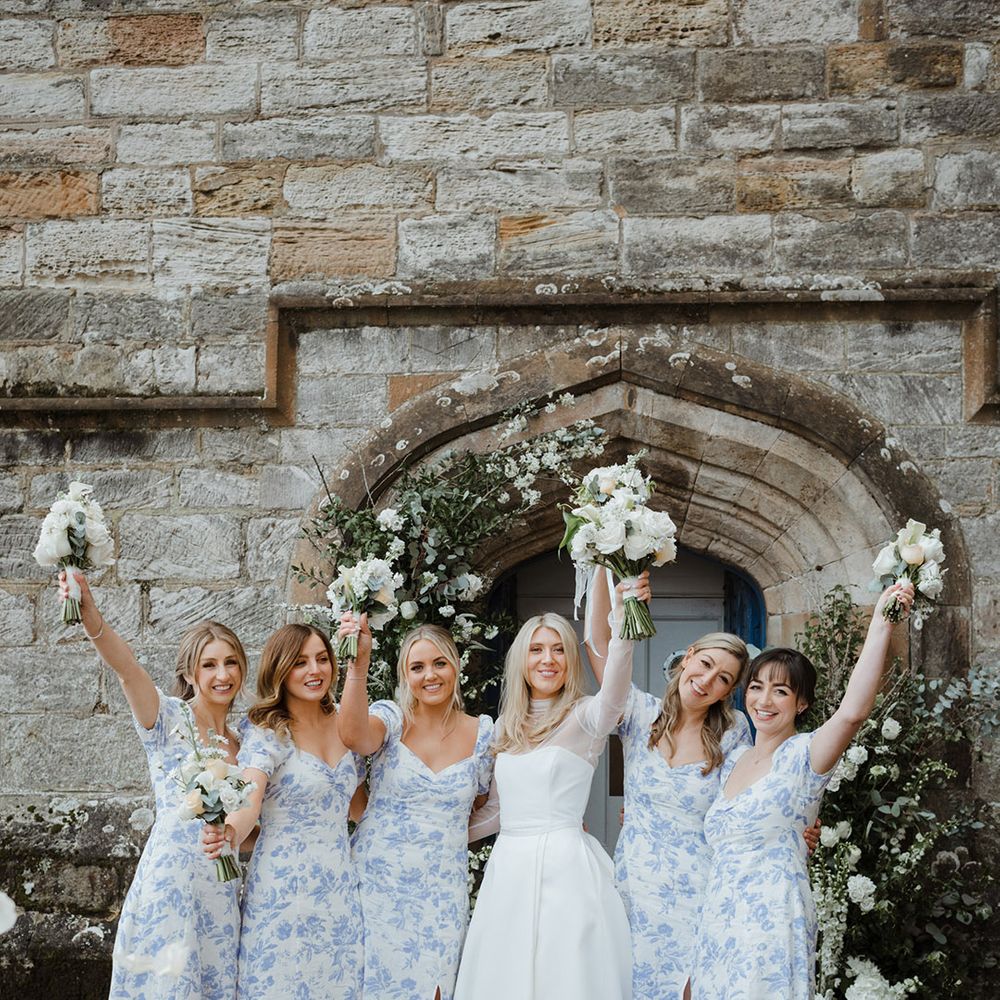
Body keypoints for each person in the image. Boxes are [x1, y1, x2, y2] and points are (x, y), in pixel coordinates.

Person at [691, 581, 914, 1000]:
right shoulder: (733, 759)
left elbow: (852, 713)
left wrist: (883, 623)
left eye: (781, 691)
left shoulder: (804, 756)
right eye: (757, 687)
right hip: (717, 922)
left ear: (802, 704)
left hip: (772, 920)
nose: (765, 700)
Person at [60, 569, 247, 1000]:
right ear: (190, 671)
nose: (223, 674)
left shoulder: (245, 743)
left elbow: (251, 827)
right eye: (210, 664)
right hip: (171, 884)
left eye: (231, 661)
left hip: (220, 894)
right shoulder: (166, 718)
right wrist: (91, 615)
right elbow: (126, 670)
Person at [454, 610, 636, 1000]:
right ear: (522, 659)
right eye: (537, 649)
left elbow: (617, 692)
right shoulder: (506, 726)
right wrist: (439, 837)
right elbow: (499, 813)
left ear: (571, 660)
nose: (548, 659)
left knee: (565, 975)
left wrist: (622, 623)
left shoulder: (587, 716)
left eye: (558, 650)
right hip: (509, 872)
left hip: (566, 867)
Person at [202, 624, 366, 1000]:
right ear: (279, 669)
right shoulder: (266, 731)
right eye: (300, 662)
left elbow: (362, 810)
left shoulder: (347, 722)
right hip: (283, 891)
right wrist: (230, 832)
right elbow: (249, 799)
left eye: (322, 659)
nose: (315, 670)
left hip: (340, 889)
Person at [337, 616, 494, 1000]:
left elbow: (480, 805)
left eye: (439, 663)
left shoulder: (484, 733)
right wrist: (358, 665)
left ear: (456, 666)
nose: (430, 675)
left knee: (434, 986)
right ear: (405, 675)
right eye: (417, 667)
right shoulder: (392, 718)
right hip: (377, 882)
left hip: (442, 888)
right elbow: (353, 736)